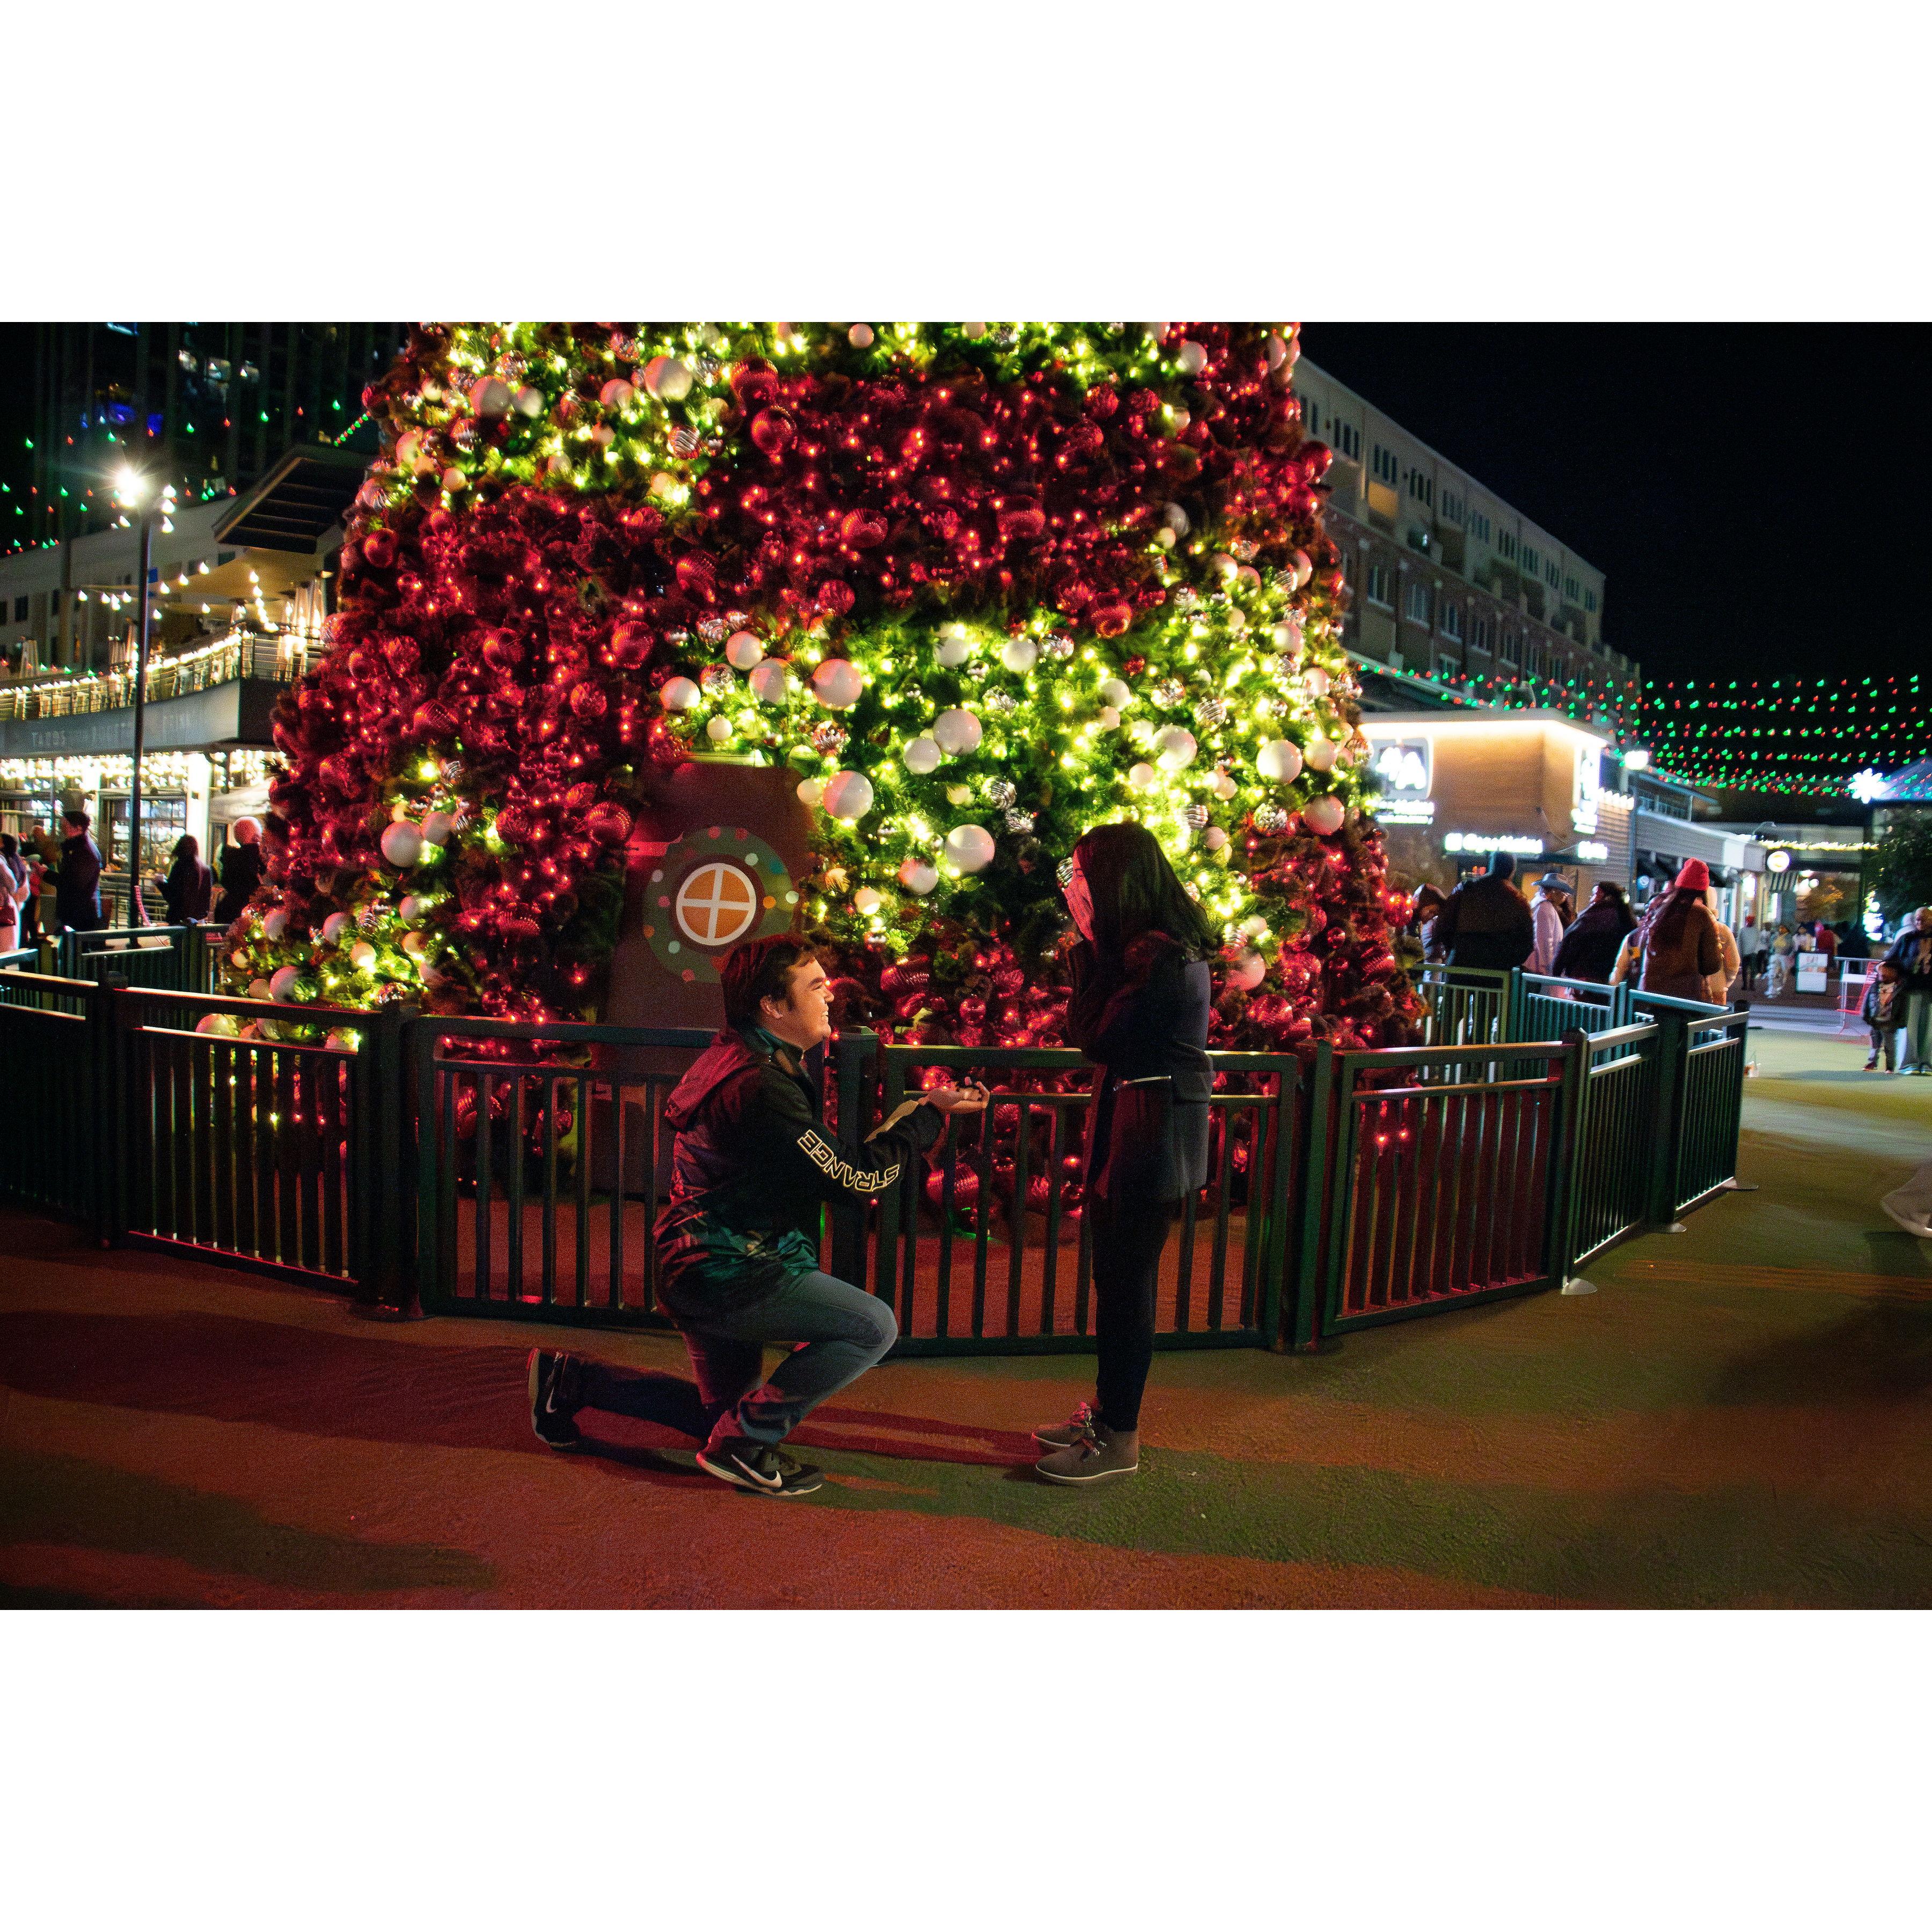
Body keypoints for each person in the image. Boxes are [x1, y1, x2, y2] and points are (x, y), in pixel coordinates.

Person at [524, 934, 986, 1497]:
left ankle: (571, 1383)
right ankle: (745, 1445)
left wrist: (918, 1112)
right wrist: (924, 1123)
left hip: (702, 1260)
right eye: (815, 987)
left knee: (722, 1418)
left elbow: (835, 1164)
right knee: (872, 1326)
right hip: (733, 1270)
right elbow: (854, 1180)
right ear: (773, 1004)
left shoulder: (745, 1056)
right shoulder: (761, 1085)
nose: (829, 998)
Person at [1032, 821, 1216, 1485]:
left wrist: (1085, 953)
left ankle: (1119, 1437)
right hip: (1141, 1126)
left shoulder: (1158, 956)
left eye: (1083, 876)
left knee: (1126, 1289)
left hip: (1153, 1136)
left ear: (1115, 881)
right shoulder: (1152, 948)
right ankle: (1108, 1419)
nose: (1075, 889)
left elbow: (1095, 1037)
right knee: (1114, 1282)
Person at [1631, 858, 1722, 1001]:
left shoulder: (1660, 911)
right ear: (1703, 890)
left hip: (1648, 994)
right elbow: (1711, 965)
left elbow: (1641, 948)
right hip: (1683, 1000)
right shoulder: (1702, 915)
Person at [1429, 850, 1535, 971]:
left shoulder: (1465, 889)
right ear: (1512, 871)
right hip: (1497, 971)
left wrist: (1452, 950)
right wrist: (1507, 962)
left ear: (1491, 866)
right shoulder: (1517, 901)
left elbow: (1443, 925)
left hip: (1461, 963)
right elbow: (1527, 942)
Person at [1552, 881, 1637, 985]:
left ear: (1600, 894)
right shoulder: (1628, 921)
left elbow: (1567, 945)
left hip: (1584, 982)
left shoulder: (1590, 918)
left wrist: (1555, 973)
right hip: (1613, 985)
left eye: (1593, 895)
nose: (1591, 899)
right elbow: (1633, 952)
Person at [1881, 906, 1932, 1076]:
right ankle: (1909, 1063)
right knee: (1910, 1026)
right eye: (1917, 918)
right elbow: (1891, 959)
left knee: (1929, 1027)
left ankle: (1927, 1062)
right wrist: (1917, 960)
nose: (1919, 921)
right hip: (1910, 987)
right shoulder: (1907, 939)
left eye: (1923, 918)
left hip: (1930, 988)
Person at [50, 808, 104, 934]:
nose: (61, 828)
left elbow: (74, 884)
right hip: (75, 911)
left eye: (65, 825)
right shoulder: (76, 848)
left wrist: (47, 875)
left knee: (74, 949)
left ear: (78, 828)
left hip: (79, 914)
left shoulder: (84, 851)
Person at [212, 817, 266, 926]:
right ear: (256, 837)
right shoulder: (261, 858)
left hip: (229, 912)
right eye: (260, 832)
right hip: (252, 914)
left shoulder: (229, 859)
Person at [156, 833, 214, 925]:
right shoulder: (205, 869)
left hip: (179, 919)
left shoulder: (180, 866)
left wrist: (160, 883)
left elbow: (173, 896)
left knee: (179, 939)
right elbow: (206, 898)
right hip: (198, 919)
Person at [1527, 873, 1573, 977]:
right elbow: (1545, 941)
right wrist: (1550, 968)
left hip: (1538, 966)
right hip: (1539, 968)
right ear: (1554, 891)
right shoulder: (1545, 907)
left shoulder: (1541, 905)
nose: (1565, 896)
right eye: (1563, 892)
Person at [1863, 958, 1904, 1073]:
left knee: (1890, 1046)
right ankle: (1872, 1061)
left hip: (1890, 1022)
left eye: (1886, 971)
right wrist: (1866, 1015)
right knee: (1875, 1044)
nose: (1882, 974)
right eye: (1881, 971)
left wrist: (1900, 1020)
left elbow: (1902, 1007)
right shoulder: (1874, 987)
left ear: (1894, 973)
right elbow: (1867, 1002)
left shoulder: (1898, 989)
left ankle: (1890, 1066)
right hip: (1876, 1021)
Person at [1707, 896, 1743, 1006]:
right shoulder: (1722, 929)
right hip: (1716, 986)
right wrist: (1725, 983)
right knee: (1714, 1020)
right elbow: (1733, 963)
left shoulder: (1681, 926)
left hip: (1686, 988)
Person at [0, 831, 27, 954]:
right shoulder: (17, 863)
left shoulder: (2, 861)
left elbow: (12, 884)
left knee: (5, 952)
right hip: (11, 910)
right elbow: (23, 891)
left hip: (5, 911)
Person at [1767, 924, 1795, 998]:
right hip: (1775, 956)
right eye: (1780, 928)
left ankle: (1779, 988)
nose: (1781, 929)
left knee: (1782, 974)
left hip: (1784, 957)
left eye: (1783, 928)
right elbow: (1771, 946)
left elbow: (1790, 948)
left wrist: (1788, 956)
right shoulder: (1775, 936)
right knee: (1773, 973)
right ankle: (1772, 989)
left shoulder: (1789, 938)